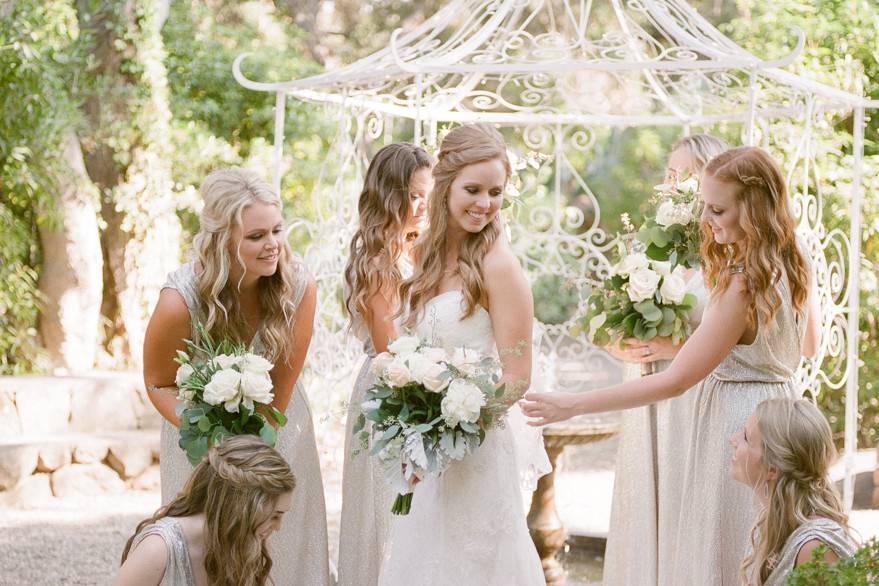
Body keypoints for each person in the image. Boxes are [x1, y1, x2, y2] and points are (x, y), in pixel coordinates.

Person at [523, 146, 821, 584]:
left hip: (735, 425)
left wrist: (574, 404)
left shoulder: (742, 284)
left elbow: (677, 380)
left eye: (718, 209)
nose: (706, 219)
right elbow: (810, 344)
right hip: (779, 413)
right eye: (705, 206)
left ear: (754, 208)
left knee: (722, 554)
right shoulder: (793, 262)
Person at [142, 168, 330, 585]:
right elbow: (157, 381)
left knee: (282, 546)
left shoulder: (299, 286)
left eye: (277, 230)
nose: (273, 246)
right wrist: (210, 437)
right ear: (223, 239)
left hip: (280, 426)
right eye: (256, 236)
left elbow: (280, 386)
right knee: (210, 548)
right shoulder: (180, 301)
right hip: (200, 437)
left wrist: (253, 450)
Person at [378, 123, 546, 585]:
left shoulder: (500, 267)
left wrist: (452, 425)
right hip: (425, 456)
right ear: (445, 186)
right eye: (473, 189)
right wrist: (414, 429)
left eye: (495, 191)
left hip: (476, 451)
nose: (485, 204)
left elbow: (517, 376)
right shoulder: (424, 258)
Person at [602, 134, 729, 586]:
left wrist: (679, 348)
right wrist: (625, 346)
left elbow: (740, 336)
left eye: (688, 176)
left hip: (698, 400)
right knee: (646, 512)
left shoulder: (729, 251)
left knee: (688, 512)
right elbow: (610, 326)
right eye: (670, 175)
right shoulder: (647, 248)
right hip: (647, 403)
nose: (676, 185)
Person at [338, 143, 434, 586]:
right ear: (388, 195)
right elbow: (389, 351)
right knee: (390, 518)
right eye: (414, 195)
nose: (422, 206)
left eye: (428, 195)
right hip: (391, 397)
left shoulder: (424, 250)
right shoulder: (380, 264)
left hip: (422, 388)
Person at [114, 435, 296, 586]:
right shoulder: (158, 549)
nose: (278, 526)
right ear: (241, 507)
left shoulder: (240, 545)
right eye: (275, 516)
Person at [733, 398, 857, 585]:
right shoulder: (778, 521)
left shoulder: (814, 547)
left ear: (772, 469)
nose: (733, 440)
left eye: (746, 437)